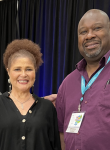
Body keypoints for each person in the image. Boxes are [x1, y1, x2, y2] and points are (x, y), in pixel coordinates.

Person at [0, 39, 61, 150]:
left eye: (29, 69)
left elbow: (55, 146)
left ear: (35, 71)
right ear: (8, 71)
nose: (23, 74)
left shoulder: (47, 107)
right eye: (17, 69)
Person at [56, 9, 110, 150]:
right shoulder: (67, 83)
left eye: (97, 28)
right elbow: (62, 134)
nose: (89, 36)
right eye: (83, 32)